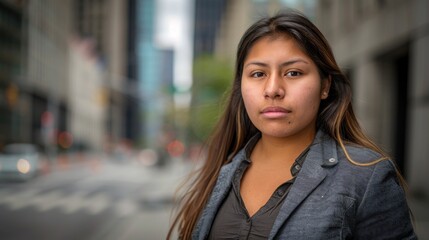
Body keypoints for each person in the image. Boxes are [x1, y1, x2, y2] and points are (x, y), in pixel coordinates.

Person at [168, 10, 417, 239]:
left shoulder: (366, 175)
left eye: (293, 73)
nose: (273, 89)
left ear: (325, 86)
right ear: (241, 86)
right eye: (258, 74)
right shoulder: (219, 172)